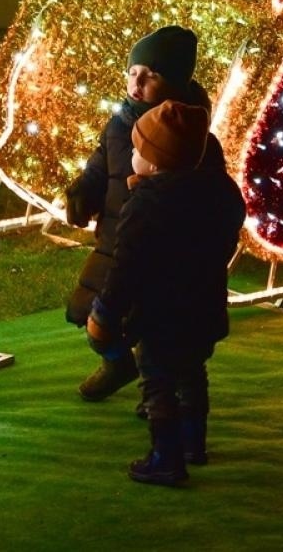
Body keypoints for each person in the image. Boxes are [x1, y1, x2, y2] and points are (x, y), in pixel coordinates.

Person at [86, 99, 246, 486]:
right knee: (193, 373)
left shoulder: (149, 202)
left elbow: (127, 264)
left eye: (138, 150)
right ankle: (194, 442)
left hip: (161, 315)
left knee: (157, 381)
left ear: (155, 162)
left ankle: (166, 457)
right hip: (205, 308)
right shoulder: (220, 192)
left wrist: (107, 310)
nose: (133, 157)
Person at [64, 26, 210, 402]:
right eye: (133, 72)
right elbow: (102, 163)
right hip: (116, 240)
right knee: (92, 314)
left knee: (150, 324)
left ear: (175, 82)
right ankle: (117, 364)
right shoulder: (119, 122)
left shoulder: (190, 133)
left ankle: (160, 391)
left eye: (153, 75)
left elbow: (207, 196)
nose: (138, 82)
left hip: (162, 252)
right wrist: (84, 190)